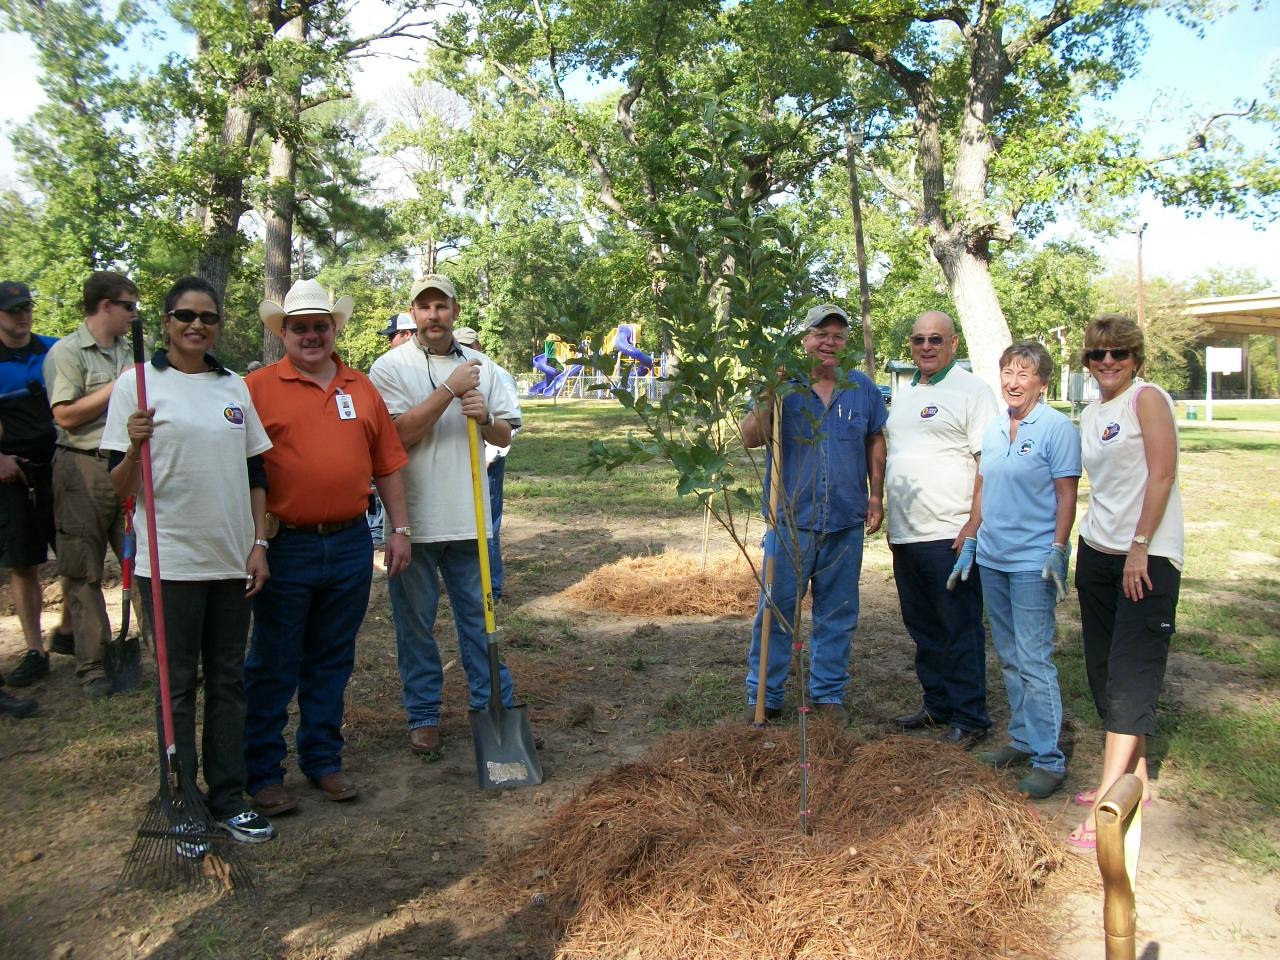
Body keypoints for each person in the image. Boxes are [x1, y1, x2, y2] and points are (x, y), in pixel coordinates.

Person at [102, 276, 277, 844]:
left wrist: (258, 544)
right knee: (178, 683)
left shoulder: (234, 388)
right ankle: (180, 796)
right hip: (169, 563)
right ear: (166, 321)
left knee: (229, 681)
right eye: (184, 316)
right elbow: (118, 488)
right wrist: (135, 444)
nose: (197, 325)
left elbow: (255, 473)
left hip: (230, 561)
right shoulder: (138, 386)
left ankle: (228, 795)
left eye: (208, 316)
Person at [242, 279, 411, 814]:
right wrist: (254, 543)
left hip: (349, 546)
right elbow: (241, 473)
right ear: (284, 332)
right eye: (300, 327)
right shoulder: (254, 389)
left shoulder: (361, 387)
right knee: (274, 660)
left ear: (333, 329)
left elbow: (387, 465)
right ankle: (264, 772)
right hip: (285, 544)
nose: (311, 335)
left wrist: (399, 531)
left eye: (320, 325)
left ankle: (322, 761)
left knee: (332, 659)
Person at [369, 274, 526, 755]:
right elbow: (395, 437)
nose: (433, 315)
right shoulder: (389, 368)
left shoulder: (483, 367)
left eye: (442, 306)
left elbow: (504, 437)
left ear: (455, 312)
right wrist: (450, 392)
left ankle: (491, 706)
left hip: (470, 520)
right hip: (412, 522)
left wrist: (485, 418)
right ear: (413, 315)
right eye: (424, 307)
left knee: (480, 623)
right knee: (415, 626)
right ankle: (423, 716)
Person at [1067, 314, 1183, 853]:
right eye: (1097, 354)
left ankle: (1113, 803)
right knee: (1103, 668)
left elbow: (1162, 474)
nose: (1107, 362)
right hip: (1098, 553)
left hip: (1147, 556)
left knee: (1132, 672)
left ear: (1135, 358)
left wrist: (1140, 546)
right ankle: (1133, 781)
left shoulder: (1147, 398)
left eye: (1118, 354)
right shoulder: (1091, 411)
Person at [740, 305, 887, 725]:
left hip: (844, 521)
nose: (829, 342)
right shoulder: (783, 386)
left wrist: (875, 496)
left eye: (838, 336)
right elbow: (750, 437)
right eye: (821, 333)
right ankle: (764, 694)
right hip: (790, 522)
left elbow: (875, 439)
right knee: (776, 611)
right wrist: (772, 390)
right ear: (803, 339)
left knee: (838, 614)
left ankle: (827, 696)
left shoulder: (862, 388)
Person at [962, 342, 1081, 798]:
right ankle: (1022, 738)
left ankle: (1049, 759)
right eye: (1008, 372)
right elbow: (983, 488)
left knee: (1034, 660)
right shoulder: (993, 430)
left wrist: (1058, 548)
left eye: (1024, 374)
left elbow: (1066, 496)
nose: (1013, 381)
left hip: (1033, 562)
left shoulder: (1056, 428)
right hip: (993, 557)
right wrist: (972, 539)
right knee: (1009, 656)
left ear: (1042, 383)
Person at [886, 310, 999, 750]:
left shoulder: (973, 391)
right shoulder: (907, 390)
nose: (926, 346)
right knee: (923, 626)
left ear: (954, 344)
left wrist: (974, 523)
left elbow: (989, 462)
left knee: (959, 626)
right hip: (907, 533)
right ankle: (937, 704)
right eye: (918, 340)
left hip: (949, 534)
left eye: (936, 339)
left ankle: (971, 716)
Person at [43, 271, 143, 698]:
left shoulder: (131, 351)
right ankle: (93, 667)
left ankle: (164, 656)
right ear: (105, 306)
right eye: (128, 306)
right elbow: (64, 416)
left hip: (128, 462)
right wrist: (119, 388)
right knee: (82, 568)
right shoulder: (67, 354)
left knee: (141, 562)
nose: (133, 315)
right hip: (81, 466)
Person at [0, 281, 60, 691]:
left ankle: (72, 633)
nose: (22, 316)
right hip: (12, 471)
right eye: (12, 310)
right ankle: (36, 650)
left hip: (58, 465)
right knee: (24, 562)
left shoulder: (53, 350)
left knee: (74, 555)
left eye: (26, 308)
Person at [451, 325, 518, 600]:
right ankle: (471, 582)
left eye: (472, 344)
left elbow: (509, 423)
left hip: (488, 459)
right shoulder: (455, 373)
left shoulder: (497, 374)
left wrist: (491, 455)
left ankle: (492, 587)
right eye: (463, 345)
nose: (469, 351)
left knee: (487, 526)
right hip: (462, 461)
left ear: (479, 345)